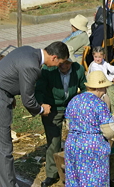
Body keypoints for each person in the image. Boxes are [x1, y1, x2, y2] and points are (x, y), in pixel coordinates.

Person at [0, 41, 69, 187]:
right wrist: (42, 109)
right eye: (60, 63)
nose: (59, 66)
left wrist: (10, 95)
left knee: (1, 149)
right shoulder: (32, 66)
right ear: (54, 57)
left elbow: (9, 73)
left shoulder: (28, 51)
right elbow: (28, 100)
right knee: (3, 150)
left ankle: (7, 181)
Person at [35, 58, 86, 187]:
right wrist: (41, 105)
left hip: (71, 106)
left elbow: (85, 88)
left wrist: (83, 105)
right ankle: (52, 174)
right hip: (52, 107)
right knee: (53, 142)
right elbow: (39, 89)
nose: (64, 66)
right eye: (62, 63)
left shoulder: (78, 69)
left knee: (77, 139)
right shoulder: (48, 70)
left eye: (68, 63)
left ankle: (76, 170)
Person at [65, 71, 114, 187]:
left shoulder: (74, 100)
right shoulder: (99, 104)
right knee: (94, 180)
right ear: (100, 88)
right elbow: (108, 131)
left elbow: (68, 124)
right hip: (92, 147)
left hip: (72, 144)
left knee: (74, 179)